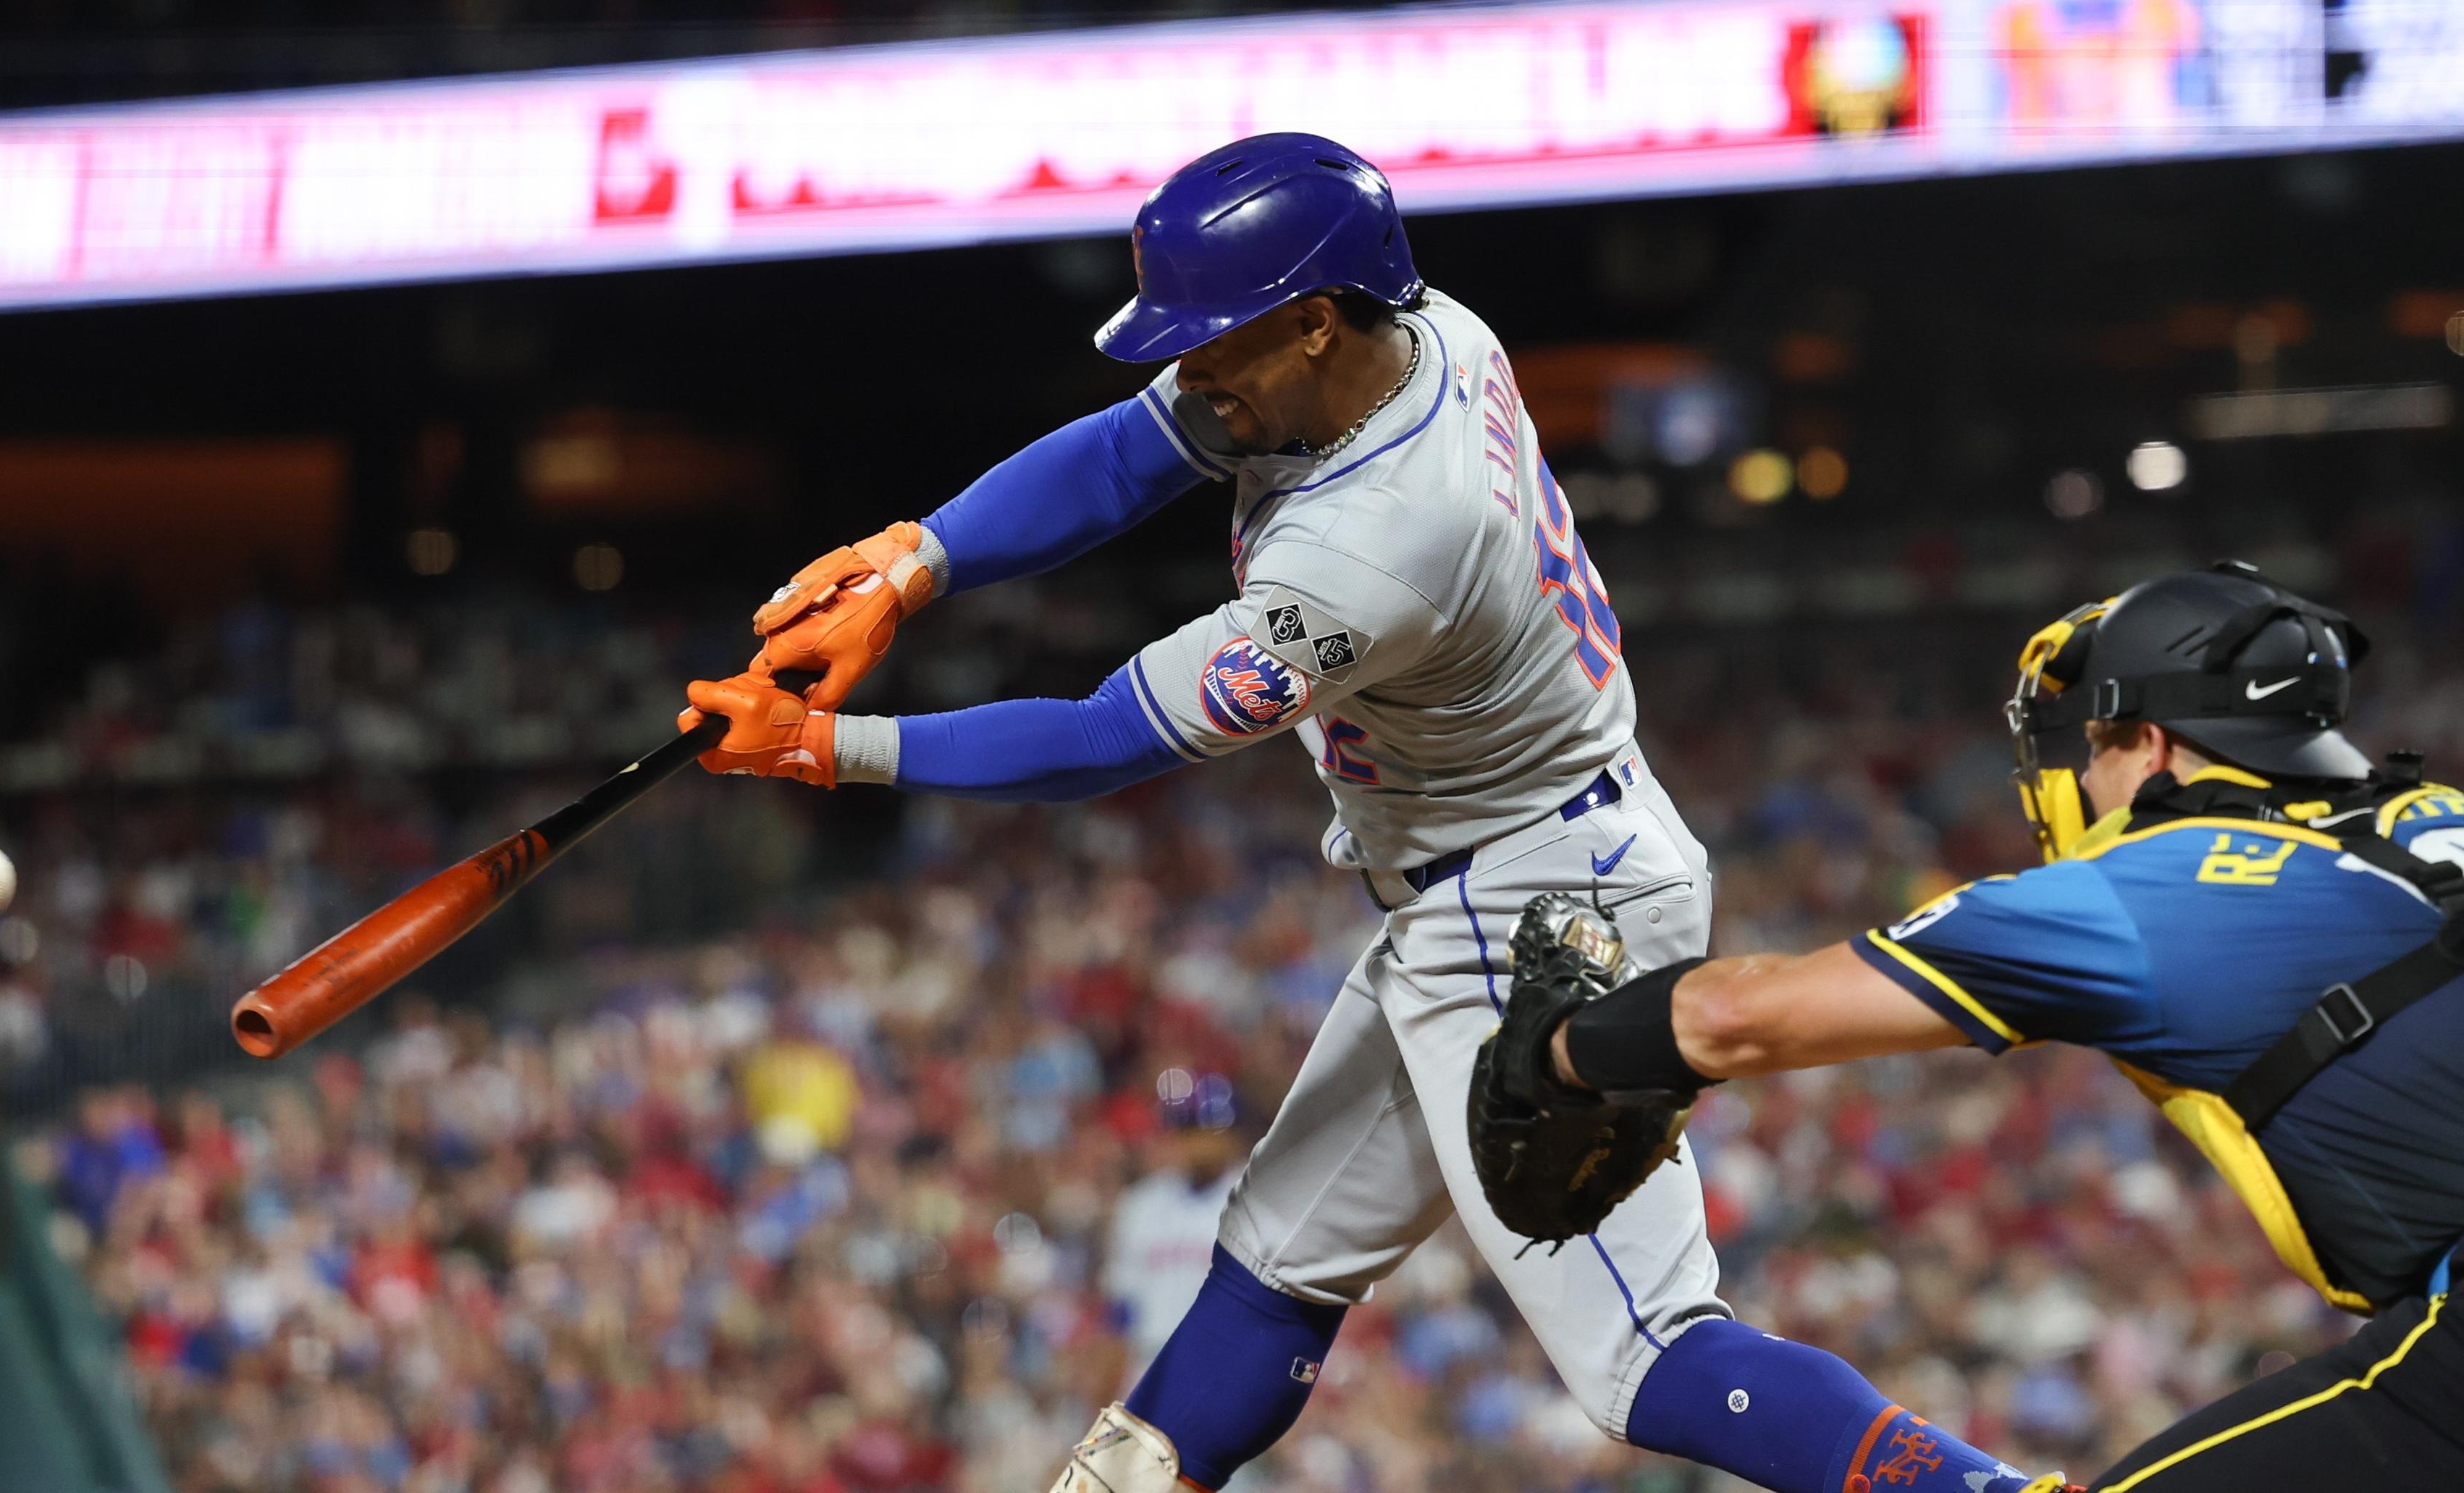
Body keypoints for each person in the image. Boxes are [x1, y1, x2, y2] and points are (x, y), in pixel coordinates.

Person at [681, 133, 2052, 1493]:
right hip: (1495, 870)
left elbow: (1102, 739)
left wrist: (827, 746)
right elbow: (1128, 456)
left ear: (1315, 324)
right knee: (1276, 1261)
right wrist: (917, 562)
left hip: (1541, 916)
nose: (1193, 368)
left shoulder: (1377, 545)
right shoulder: (1423, 329)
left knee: (1647, 1360)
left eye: (1218, 340)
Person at [1502, 562, 2464, 1489]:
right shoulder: (2438, 813)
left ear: (2160, 745)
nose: (2085, 777)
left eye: (2101, 742)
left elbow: (1734, 1018)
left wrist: (1557, 1053)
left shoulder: (2155, 883)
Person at [1101, 1072, 1246, 1381]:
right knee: (1114, 1434)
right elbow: (1121, 1304)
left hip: (1224, 1364)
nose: (1201, 1142)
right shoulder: (1141, 1204)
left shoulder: (1253, 1202)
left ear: (1232, 1135)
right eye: (1192, 1128)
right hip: (1149, 1362)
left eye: (1213, 1129)